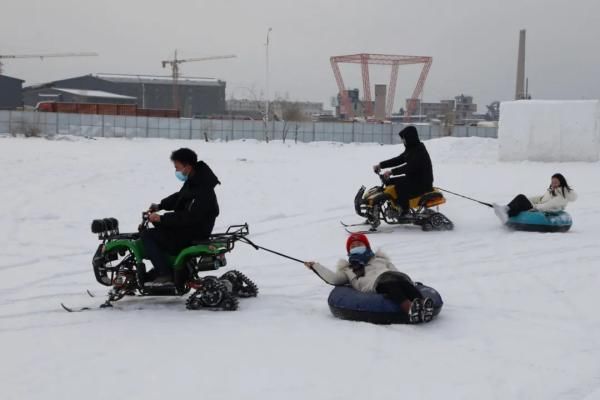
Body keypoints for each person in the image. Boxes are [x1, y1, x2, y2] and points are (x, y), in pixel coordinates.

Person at [304, 233, 434, 324]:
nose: (356, 247)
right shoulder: (348, 269)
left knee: (402, 282)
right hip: (375, 284)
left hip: (391, 276)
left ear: (367, 246)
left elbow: (394, 270)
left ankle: (423, 304)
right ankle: (409, 307)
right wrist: (316, 266)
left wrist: (409, 281)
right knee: (391, 285)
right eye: (353, 246)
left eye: (359, 244)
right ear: (349, 251)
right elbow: (334, 279)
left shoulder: (380, 259)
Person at [141, 148, 220, 286]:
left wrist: (162, 219)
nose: (176, 171)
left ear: (187, 166)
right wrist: (160, 206)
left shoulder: (203, 189)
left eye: (177, 167)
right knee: (158, 230)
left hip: (192, 233)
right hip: (191, 229)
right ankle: (169, 267)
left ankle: (164, 273)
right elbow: (180, 197)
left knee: (147, 235)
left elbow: (191, 217)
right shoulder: (195, 180)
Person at [373, 125, 434, 214]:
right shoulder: (411, 149)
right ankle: (393, 206)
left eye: (404, 138)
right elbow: (398, 159)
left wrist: (391, 172)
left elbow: (410, 167)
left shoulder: (420, 151)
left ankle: (404, 211)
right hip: (413, 179)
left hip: (423, 183)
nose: (403, 141)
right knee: (389, 182)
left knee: (399, 187)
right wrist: (381, 165)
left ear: (410, 138)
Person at [493, 173, 577, 223]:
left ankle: (505, 210)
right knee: (522, 199)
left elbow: (547, 205)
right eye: (552, 182)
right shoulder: (552, 191)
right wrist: (529, 200)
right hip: (537, 207)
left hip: (540, 209)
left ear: (561, 183)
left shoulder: (561, 197)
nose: (553, 184)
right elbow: (541, 199)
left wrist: (534, 206)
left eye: (555, 182)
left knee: (521, 197)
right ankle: (505, 213)